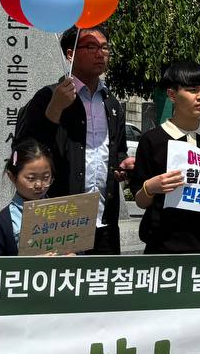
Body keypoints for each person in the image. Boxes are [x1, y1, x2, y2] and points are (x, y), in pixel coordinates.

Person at [15, 26, 132, 255]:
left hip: (104, 223)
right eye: (91, 47)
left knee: (103, 287)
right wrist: (55, 109)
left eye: (105, 47)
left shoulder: (112, 104)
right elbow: (24, 153)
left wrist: (123, 165)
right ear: (70, 54)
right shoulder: (47, 97)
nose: (101, 53)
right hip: (62, 220)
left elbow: (117, 152)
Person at [131, 60, 200, 253]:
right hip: (164, 249)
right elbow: (139, 200)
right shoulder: (153, 140)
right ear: (172, 95)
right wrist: (151, 187)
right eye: (193, 90)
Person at [0, 139, 56, 257]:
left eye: (46, 177)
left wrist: (74, 255)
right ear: (12, 176)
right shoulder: (3, 222)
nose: (39, 185)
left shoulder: (63, 209)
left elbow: (79, 244)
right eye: (31, 178)